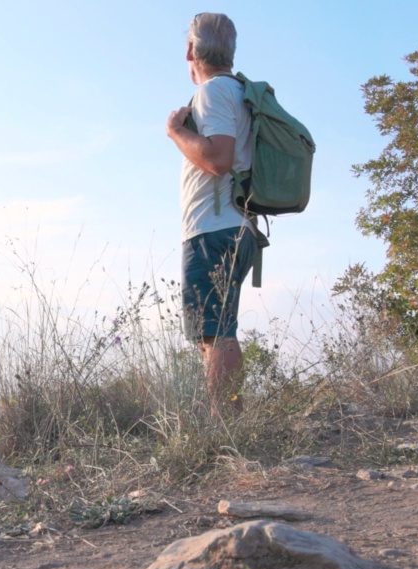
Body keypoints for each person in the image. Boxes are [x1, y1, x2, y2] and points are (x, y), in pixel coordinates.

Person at [165, 12, 258, 417]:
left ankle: (225, 427)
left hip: (213, 228)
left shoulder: (214, 92)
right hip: (236, 226)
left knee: (213, 332)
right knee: (219, 329)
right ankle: (232, 422)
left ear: (190, 50)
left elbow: (218, 160)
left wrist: (176, 132)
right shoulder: (240, 92)